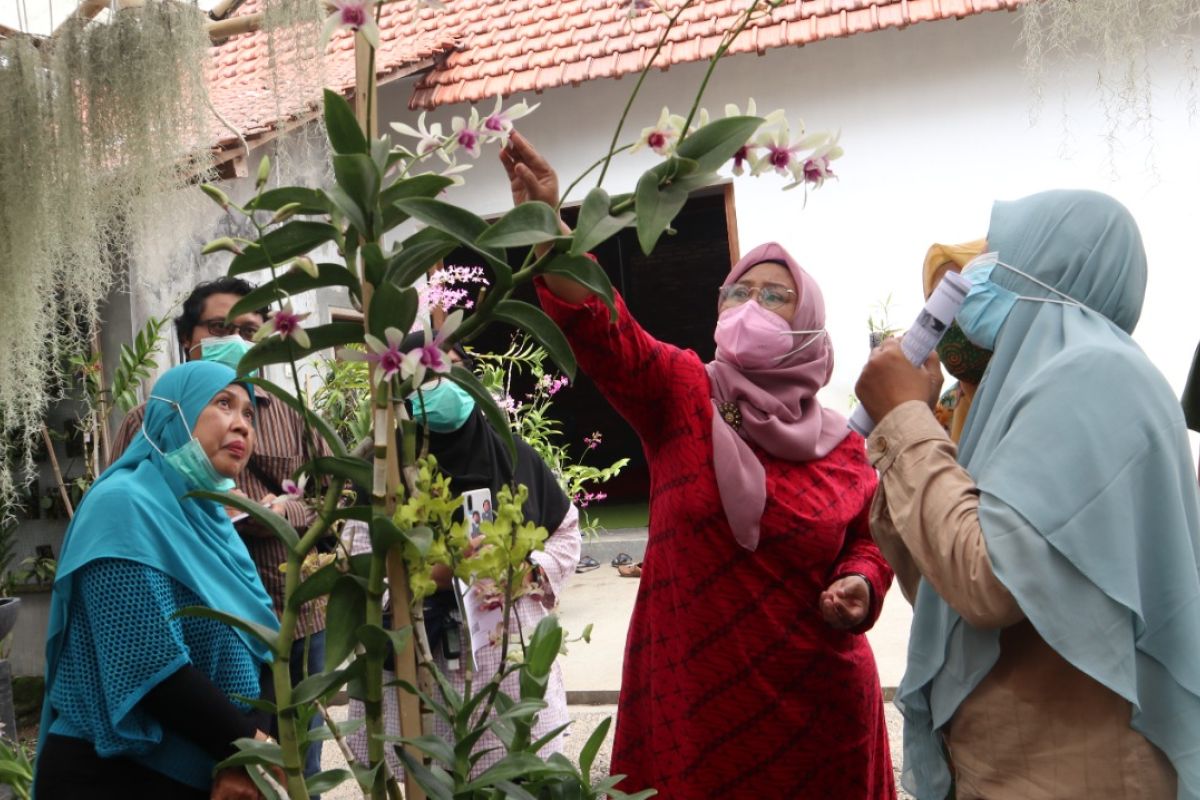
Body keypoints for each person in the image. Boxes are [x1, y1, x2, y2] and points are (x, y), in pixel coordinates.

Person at [501, 133, 896, 798]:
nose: (749, 307)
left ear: (808, 327)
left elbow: (868, 541)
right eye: (736, 293)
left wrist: (862, 582)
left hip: (821, 717)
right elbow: (605, 331)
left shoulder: (841, 444)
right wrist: (552, 230)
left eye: (773, 296)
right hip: (703, 715)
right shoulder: (685, 395)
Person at [855, 190, 1200, 799]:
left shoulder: (1093, 373)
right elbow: (941, 585)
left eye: (994, 253)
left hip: (1067, 770)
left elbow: (986, 584)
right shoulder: (1040, 385)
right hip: (1019, 759)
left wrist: (906, 422)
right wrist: (913, 429)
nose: (974, 273)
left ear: (1051, 262)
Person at [110, 277, 332, 787]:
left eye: (249, 330)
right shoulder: (152, 419)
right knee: (215, 763)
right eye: (219, 327)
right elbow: (132, 507)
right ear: (187, 339)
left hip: (290, 617)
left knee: (297, 767)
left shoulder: (290, 415)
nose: (235, 338)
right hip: (201, 627)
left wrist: (284, 514)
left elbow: (334, 496)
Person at [34, 361, 279, 799]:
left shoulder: (213, 523)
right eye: (223, 403)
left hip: (215, 768)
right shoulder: (122, 506)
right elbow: (149, 664)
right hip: (114, 776)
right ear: (174, 412)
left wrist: (247, 756)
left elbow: (263, 650)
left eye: (248, 413)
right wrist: (246, 750)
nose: (242, 424)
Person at [344, 342, 581, 778]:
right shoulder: (386, 477)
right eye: (429, 376)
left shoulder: (512, 455)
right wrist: (437, 576)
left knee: (517, 775)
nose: (445, 385)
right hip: (420, 670)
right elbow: (358, 572)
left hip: (505, 663)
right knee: (429, 778)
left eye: (457, 371)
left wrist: (525, 571)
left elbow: (566, 533)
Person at [923, 239, 988, 440]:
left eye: (963, 295)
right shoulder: (943, 413)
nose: (950, 316)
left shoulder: (1044, 389)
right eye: (939, 301)